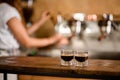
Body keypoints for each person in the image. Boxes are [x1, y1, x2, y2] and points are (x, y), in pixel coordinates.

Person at [0, 0, 68, 80]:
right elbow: (26, 42)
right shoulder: (7, 11)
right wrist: (52, 39)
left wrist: (41, 21)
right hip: (6, 60)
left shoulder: (2, 8)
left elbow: (23, 33)